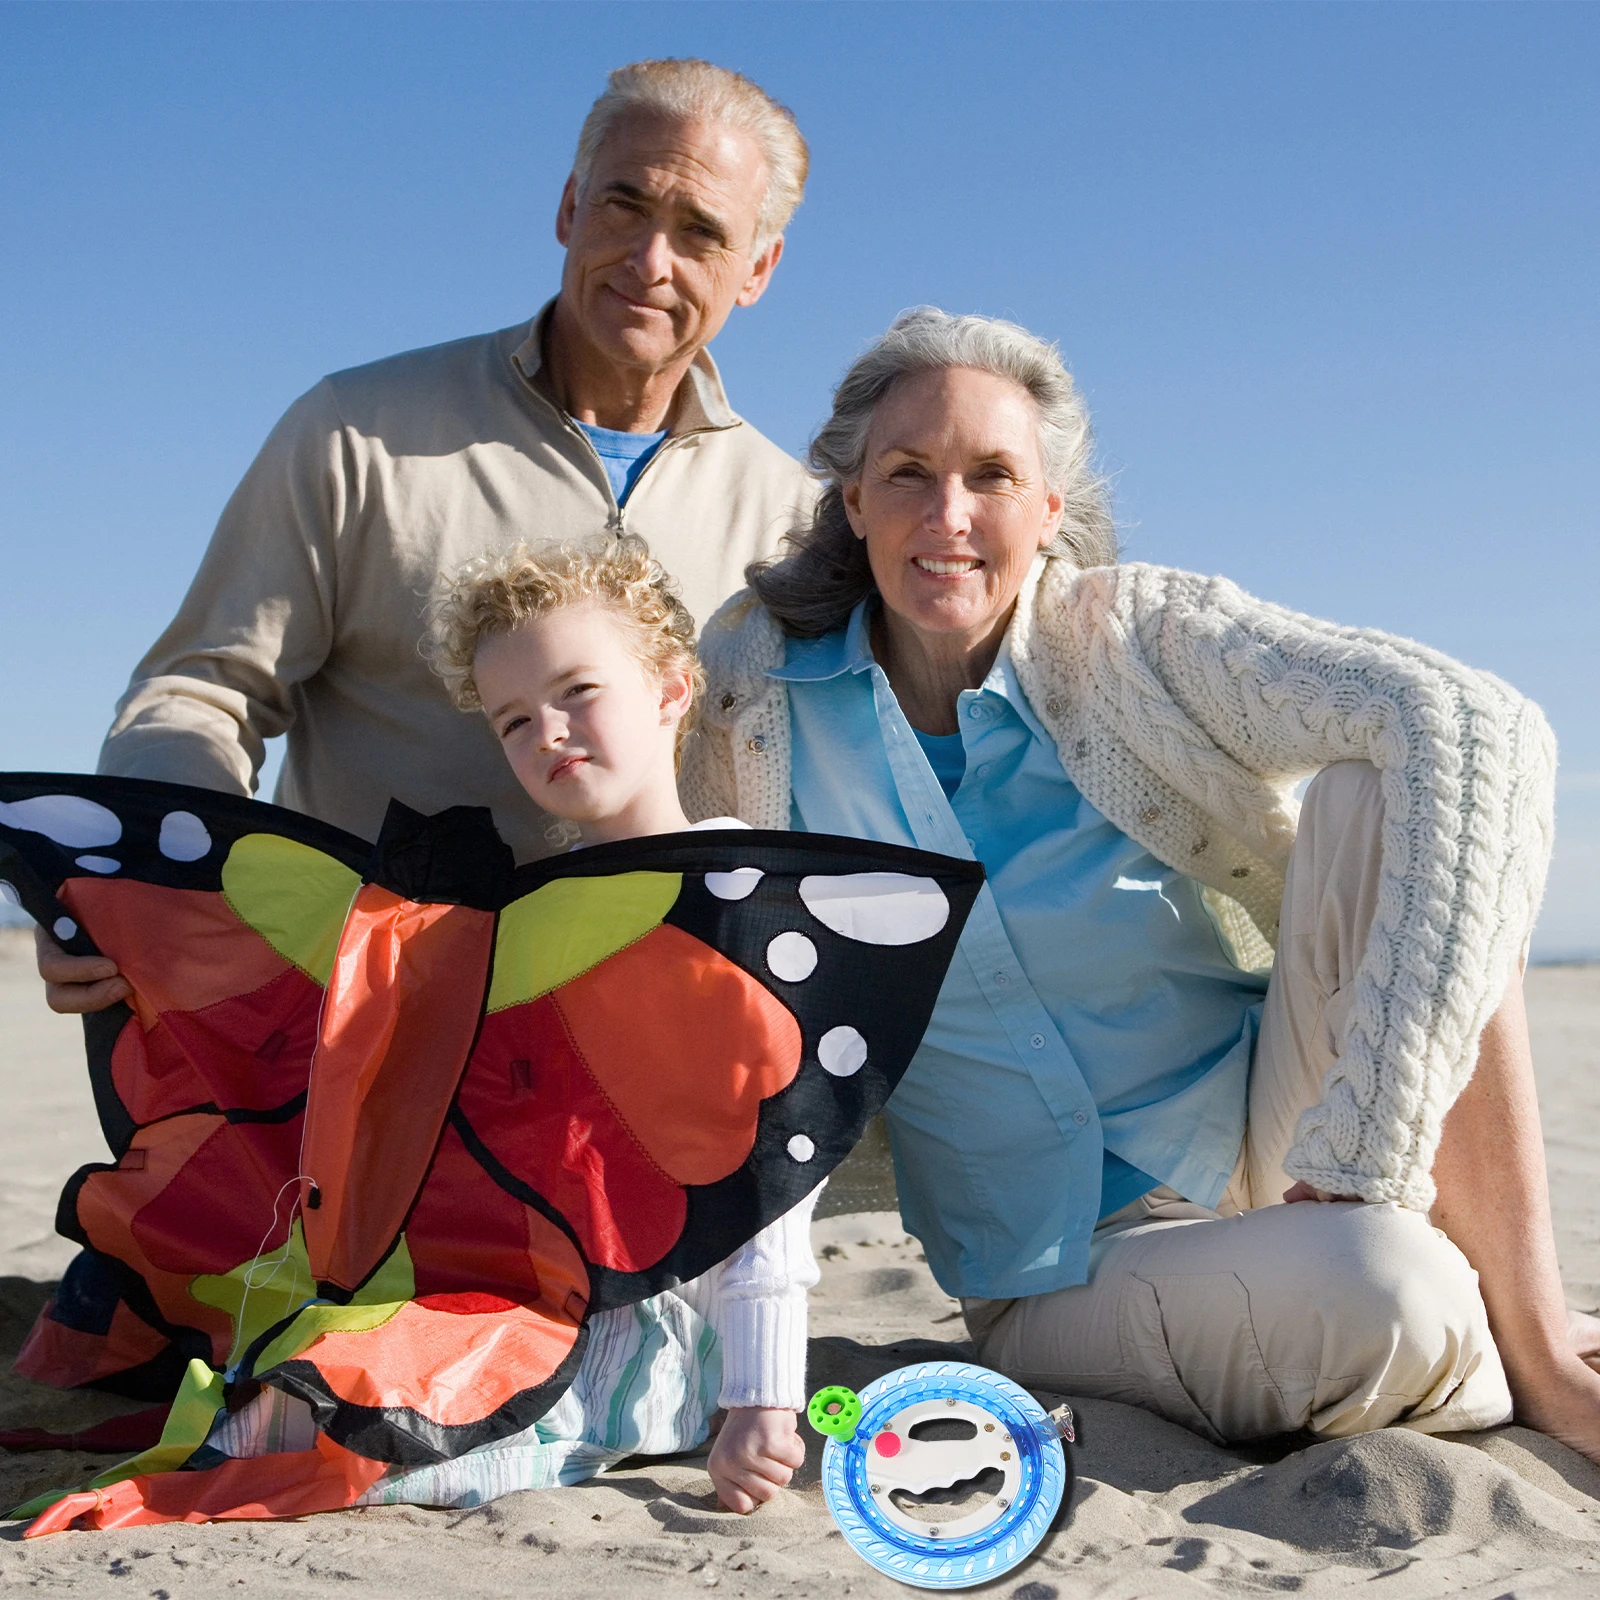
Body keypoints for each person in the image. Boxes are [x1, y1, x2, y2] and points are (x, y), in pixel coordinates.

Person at [683, 306, 1600, 1463]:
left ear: (1048, 509)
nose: (949, 514)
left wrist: (1363, 1150)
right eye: (908, 471)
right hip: (1063, 1268)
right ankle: (1475, 1310)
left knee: (1383, 793)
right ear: (854, 499)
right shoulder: (750, 704)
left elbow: (1474, 725)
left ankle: (1531, 1332)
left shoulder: (1128, 641)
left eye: (992, 475)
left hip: (1284, 1151)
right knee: (1396, 1295)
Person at [38, 56, 817, 1012]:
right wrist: (148, 881)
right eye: (625, 204)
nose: (651, 260)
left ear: (758, 269)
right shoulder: (355, 432)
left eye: (701, 231)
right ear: (569, 207)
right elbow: (202, 693)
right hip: (349, 1014)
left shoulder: (795, 522)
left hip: (636, 1044)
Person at [202, 536, 818, 1513]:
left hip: (668, 1320)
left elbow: (776, 1173)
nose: (549, 733)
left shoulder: (740, 892)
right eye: (515, 720)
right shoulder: (536, 913)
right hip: (531, 1287)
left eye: (579, 692)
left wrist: (762, 1397)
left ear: (670, 689)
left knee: (378, 1436)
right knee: (292, 1388)